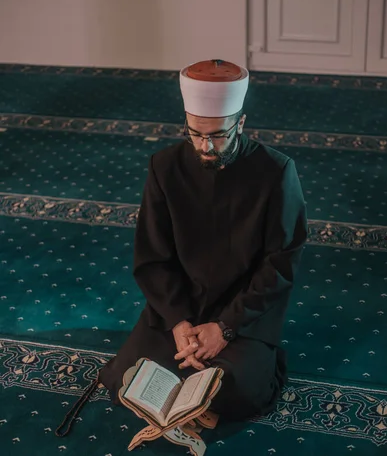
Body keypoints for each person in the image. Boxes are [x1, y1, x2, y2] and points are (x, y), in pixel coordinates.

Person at [98, 59, 308, 421]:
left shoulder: (276, 172)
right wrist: (180, 322)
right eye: (196, 134)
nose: (206, 146)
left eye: (218, 135)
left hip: (244, 311)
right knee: (123, 381)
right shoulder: (164, 167)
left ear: (240, 123)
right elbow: (153, 256)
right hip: (181, 305)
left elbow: (280, 262)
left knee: (237, 393)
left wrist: (226, 327)